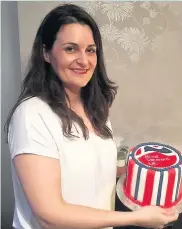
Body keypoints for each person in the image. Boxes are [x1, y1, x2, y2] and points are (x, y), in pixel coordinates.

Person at [6, 4, 178, 229]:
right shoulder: (31, 115)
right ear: (46, 53)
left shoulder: (94, 107)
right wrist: (137, 218)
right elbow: (49, 216)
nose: (84, 61)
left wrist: (146, 171)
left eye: (90, 50)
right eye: (70, 49)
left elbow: (87, 168)